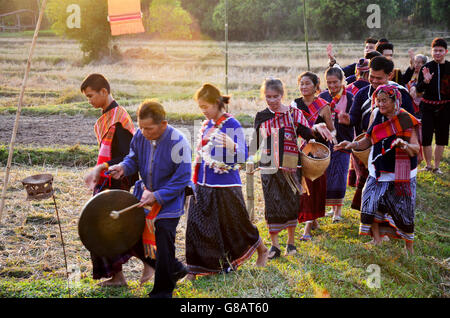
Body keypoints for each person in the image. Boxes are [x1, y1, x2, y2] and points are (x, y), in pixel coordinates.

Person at [109, 100, 192, 298]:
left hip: (169, 198)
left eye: (149, 128)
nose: (144, 132)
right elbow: (133, 158)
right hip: (144, 193)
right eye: (141, 127)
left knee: (163, 235)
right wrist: (123, 167)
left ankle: (162, 292)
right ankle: (174, 268)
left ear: (163, 124)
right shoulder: (140, 135)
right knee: (133, 234)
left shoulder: (178, 142)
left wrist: (157, 196)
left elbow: (182, 178)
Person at [185, 84, 268, 279]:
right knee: (196, 225)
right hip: (203, 183)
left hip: (226, 185)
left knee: (237, 224)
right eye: (200, 107)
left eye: (206, 106)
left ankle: (262, 249)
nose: (203, 111)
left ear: (216, 103)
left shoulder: (232, 124)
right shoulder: (206, 125)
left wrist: (233, 145)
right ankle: (193, 270)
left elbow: (244, 156)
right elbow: (201, 155)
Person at [251, 77, 334, 258]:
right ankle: (275, 246)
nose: (272, 100)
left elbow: (306, 133)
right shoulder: (262, 116)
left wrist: (316, 131)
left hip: (291, 166)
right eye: (268, 96)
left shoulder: (294, 114)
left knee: (291, 204)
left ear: (282, 95)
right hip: (269, 166)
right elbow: (255, 143)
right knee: (272, 205)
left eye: (275, 96)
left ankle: (291, 243)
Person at [335, 85, 421, 254]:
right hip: (378, 167)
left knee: (404, 210)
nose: (380, 104)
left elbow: (416, 148)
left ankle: (408, 247)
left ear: (395, 101)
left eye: (384, 101)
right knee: (370, 202)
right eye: (378, 100)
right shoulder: (375, 114)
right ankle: (376, 239)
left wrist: (404, 145)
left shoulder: (405, 119)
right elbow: (368, 139)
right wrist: (353, 144)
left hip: (401, 172)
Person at [81, 73, 147, 287]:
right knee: (104, 226)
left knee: (107, 225)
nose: (90, 101)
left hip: (117, 180)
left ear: (104, 92)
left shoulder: (118, 118)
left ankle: (146, 262)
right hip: (107, 179)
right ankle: (118, 276)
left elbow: (128, 156)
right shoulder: (107, 116)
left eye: (91, 96)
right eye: (87, 97)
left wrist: (102, 167)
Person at [338, 56, 415, 211]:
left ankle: (383, 224)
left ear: (390, 75)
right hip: (369, 146)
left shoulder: (401, 95)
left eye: (378, 78)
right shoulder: (362, 94)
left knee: (390, 192)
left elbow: (410, 122)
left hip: (396, 151)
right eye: (371, 76)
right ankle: (374, 226)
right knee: (370, 187)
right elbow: (355, 117)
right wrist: (348, 120)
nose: (373, 81)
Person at [292, 72, 337, 238]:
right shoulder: (295, 105)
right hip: (301, 149)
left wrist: (325, 130)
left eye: (307, 84)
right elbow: (291, 127)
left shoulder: (323, 106)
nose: (304, 87)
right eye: (301, 83)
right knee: (303, 187)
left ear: (316, 86)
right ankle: (313, 219)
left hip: (318, 152)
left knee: (313, 186)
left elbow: (332, 130)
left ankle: (307, 228)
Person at [319, 67, 354, 222]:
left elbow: (355, 119)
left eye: (335, 82)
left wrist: (348, 118)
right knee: (327, 176)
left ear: (342, 81)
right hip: (326, 143)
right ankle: (331, 207)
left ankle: (338, 211)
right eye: (329, 82)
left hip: (343, 142)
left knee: (340, 175)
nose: (332, 86)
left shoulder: (351, 98)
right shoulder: (322, 97)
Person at [416, 38, 449, 175]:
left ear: (446, 52)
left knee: (441, 137)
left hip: (445, 107)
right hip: (428, 107)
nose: (438, 53)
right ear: (431, 51)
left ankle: (436, 166)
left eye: (440, 50)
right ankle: (428, 165)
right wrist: (425, 81)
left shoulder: (449, 67)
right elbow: (418, 90)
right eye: (435, 50)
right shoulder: (426, 68)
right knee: (427, 136)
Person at [403, 50, 428, 116]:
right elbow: (404, 80)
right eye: (415, 62)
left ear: (424, 64)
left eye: (419, 63)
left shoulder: (426, 75)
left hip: (422, 106)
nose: (416, 65)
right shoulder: (409, 74)